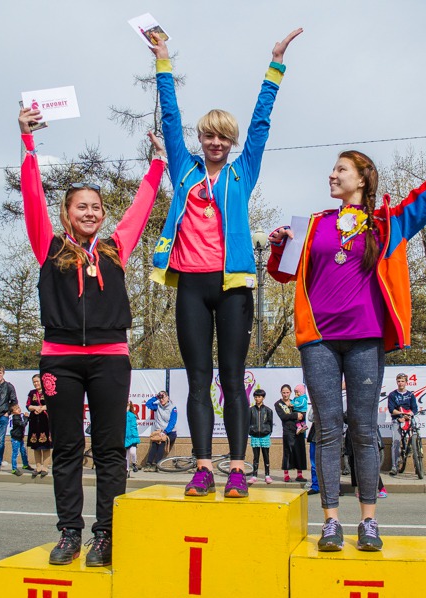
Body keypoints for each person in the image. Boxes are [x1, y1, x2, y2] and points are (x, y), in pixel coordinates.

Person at [267, 120, 426, 552]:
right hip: (317, 339)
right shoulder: (312, 224)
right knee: (329, 427)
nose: (332, 175)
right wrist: (281, 243)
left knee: (364, 428)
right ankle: (332, 521)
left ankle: (369, 521)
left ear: (362, 178)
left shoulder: (386, 224)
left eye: (340, 170)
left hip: (366, 339)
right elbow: (281, 272)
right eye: (332, 170)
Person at [147, 28, 303, 499]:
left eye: (223, 136)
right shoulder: (184, 168)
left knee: (232, 380)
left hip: (233, 285)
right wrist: (163, 61)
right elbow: (170, 117)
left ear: (232, 142)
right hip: (191, 285)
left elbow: (261, 123)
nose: (216, 142)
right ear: (200, 138)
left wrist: (275, 65)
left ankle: (237, 468)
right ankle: (201, 467)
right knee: (197, 380)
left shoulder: (242, 170)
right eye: (209, 135)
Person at [18, 106, 165, 567]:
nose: (89, 212)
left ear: (103, 215)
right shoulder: (49, 244)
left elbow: (141, 207)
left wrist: (157, 163)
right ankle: (68, 533)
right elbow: (31, 197)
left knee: (109, 451)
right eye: (81, 206)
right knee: (66, 448)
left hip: (110, 359)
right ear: (66, 212)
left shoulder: (115, 247)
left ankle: (105, 536)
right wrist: (28, 143)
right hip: (59, 359)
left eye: (96, 207)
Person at [275, 384, 307, 483]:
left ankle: (300, 475)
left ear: (290, 392)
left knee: (300, 451)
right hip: (288, 431)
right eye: (283, 392)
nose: (285, 394)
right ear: (281, 393)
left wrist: (300, 417)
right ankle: (286, 475)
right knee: (288, 452)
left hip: (299, 430)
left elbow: (303, 414)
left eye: (287, 392)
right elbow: (283, 416)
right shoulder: (278, 404)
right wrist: (296, 415)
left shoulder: (295, 401)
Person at [387, 373, 418, 476]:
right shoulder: (392, 395)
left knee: (416, 436)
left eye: (402, 381)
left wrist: (409, 414)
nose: (400, 383)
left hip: (408, 419)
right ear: (397, 382)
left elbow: (415, 409)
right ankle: (394, 467)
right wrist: (400, 415)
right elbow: (391, 410)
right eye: (399, 381)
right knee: (395, 442)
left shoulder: (410, 395)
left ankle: (419, 464)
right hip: (397, 420)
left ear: (406, 382)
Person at [144, 391, 177, 470]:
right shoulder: (158, 406)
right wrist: (156, 397)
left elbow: (172, 422)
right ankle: (149, 463)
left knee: (161, 441)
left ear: (167, 397)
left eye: (163, 397)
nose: (162, 400)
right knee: (155, 443)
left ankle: (157, 464)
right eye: (160, 398)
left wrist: (165, 432)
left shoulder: (173, 408)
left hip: (170, 432)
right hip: (159, 431)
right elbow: (148, 404)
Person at [247, 389, 274, 484]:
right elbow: (248, 423)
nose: (257, 398)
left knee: (266, 456)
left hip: (265, 436)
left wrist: (268, 432)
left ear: (263, 397)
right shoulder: (250, 410)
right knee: (256, 457)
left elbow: (270, 423)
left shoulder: (268, 410)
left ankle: (267, 475)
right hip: (254, 436)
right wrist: (251, 431)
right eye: (256, 397)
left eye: (259, 396)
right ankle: (254, 475)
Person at [26, 374, 51, 478]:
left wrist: (43, 408)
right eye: (34, 382)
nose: (36, 383)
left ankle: (45, 467)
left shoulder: (48, 392)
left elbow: (52, 404)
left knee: (46, 446)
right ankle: (38, 466)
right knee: (36, 446)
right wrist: (35, 407)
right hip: (34, 422)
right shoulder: (32, 393)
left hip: (46, 422)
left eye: (37, 381)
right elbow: (28, 405)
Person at [9, 405, 31, 476]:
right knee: (15, 453)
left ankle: (25, 465)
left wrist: (27, 418)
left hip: (20, 438)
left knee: (23, 452)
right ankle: (14, 469)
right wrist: (26, 417)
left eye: (18, 408)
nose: (18, 409)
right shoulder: (15, 418)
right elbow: (23, 424)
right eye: (16, 409)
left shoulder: (19, 417)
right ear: (13, 412)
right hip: (15, 438)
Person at [125, 401, 140, 475]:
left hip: (132, 438)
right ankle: (127, 470)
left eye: (127, 406)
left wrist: (135, 437)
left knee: (132, 452)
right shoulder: (119, 416)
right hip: (124, 438)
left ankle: (134, 462)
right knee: (126, 456)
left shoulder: (132, 416)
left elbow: (134, 427)